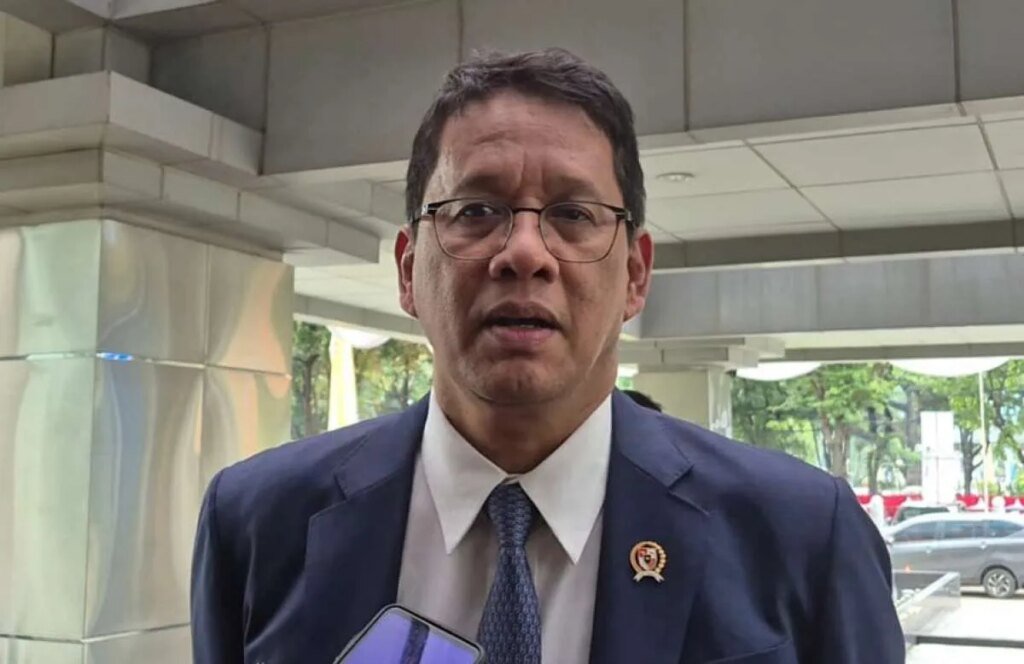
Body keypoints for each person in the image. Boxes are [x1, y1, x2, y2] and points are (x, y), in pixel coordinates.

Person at [191, 49, 904, 664]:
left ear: (635, 275)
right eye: (475, 211)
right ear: (408, 270)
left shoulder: (801, 534)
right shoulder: (257, 522)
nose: (525, 253)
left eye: (573, 215)